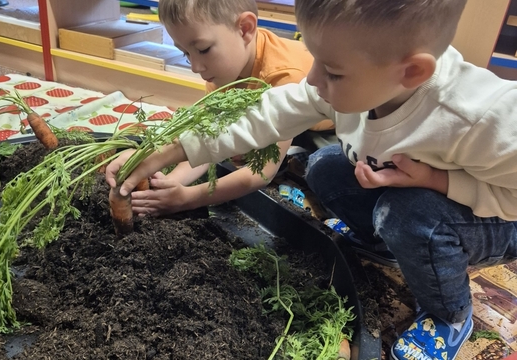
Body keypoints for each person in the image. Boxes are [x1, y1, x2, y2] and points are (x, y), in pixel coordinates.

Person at [107, 0, 517, 359]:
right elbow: (264, 115)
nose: (313, 79)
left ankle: (449, 315)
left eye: (333, 72)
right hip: (411, 183)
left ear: (411, 72)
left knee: (403, 215)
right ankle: (385, 241)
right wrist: (168, 149)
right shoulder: (357, 72)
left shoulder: (481, 118)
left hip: (498, 217)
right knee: (324, 166)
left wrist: (436, 180)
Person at [130, 0, 334, 219]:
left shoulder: (284, 76)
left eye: (203, 50)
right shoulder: (222, 71)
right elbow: (209, 137)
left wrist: (187, 198)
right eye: (185, 54)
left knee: (316, 164)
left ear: (245, 29)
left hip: (326, 124)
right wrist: (173, 181)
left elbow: (261, 172)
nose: (195, 67)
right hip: (274, 119)